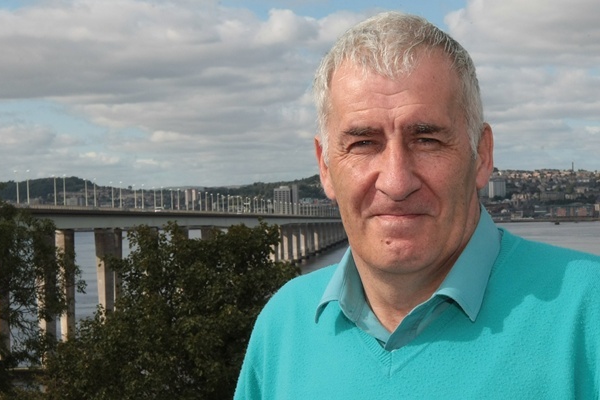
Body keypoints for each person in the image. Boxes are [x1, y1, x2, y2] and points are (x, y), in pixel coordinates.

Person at [235, 11, 600, 399]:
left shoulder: (588, 311)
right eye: (363, 143)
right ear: (325, 167)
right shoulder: (285, 323)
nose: (396, 182)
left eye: (427, 140)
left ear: (481, 155)